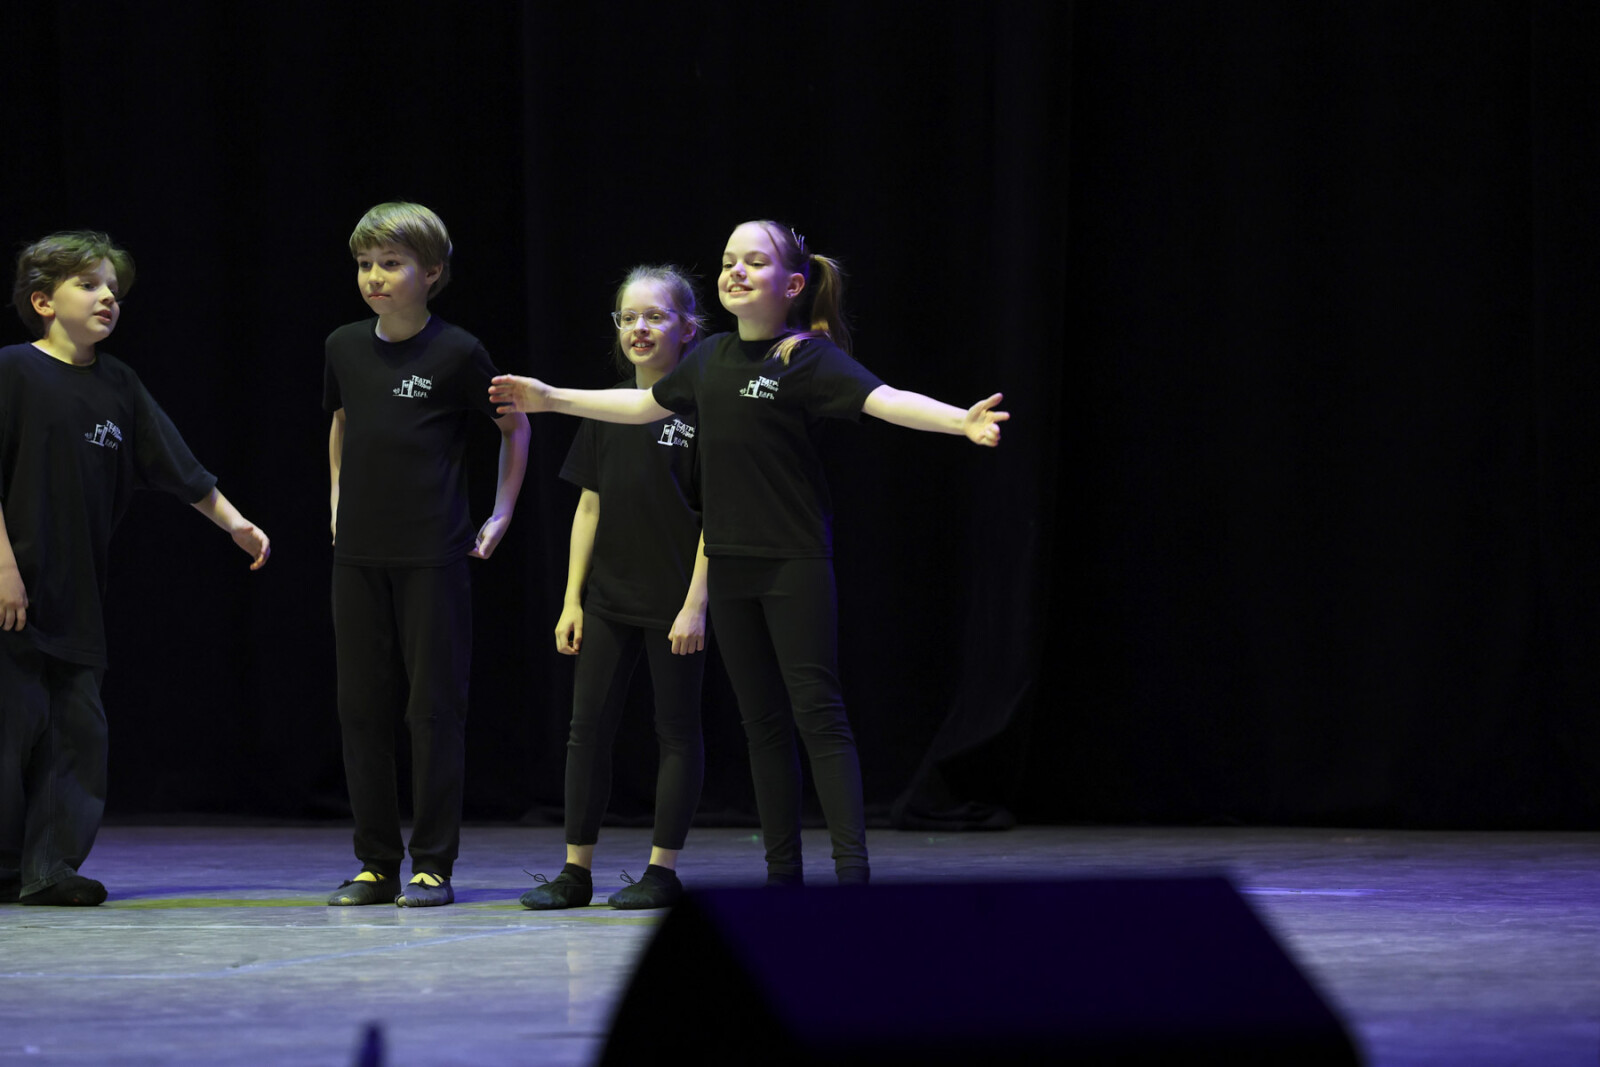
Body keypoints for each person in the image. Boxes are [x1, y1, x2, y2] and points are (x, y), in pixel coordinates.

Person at [491, 220, 1007, 887]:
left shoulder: (806, 358)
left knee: (818, 717)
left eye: (754, 262)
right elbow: (643, 405)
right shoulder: (709, 359)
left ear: (791, 285)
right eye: (729, 260)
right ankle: (782, 876)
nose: (735, 271)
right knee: (761, 725)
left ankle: (851, 876)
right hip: (730, 567)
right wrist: (552, 399)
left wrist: (960, 420)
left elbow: (885, 400)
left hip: (792, 561)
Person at [1, 231, 271, 907]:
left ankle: (49, 868)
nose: (107, 299)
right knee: (11, 727)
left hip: (76, 596)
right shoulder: (14, 371)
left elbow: (177, 465)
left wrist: (235, 522)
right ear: (43, 301)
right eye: (88, 285)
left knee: (76, 735)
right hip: (11, 589)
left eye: (114, 290)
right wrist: (3, 569)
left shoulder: (118, 384)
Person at [324, 202, 529, 908]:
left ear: (432, 272)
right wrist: (335, 501)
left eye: (391, 264)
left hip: (432, 554)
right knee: (361, 709)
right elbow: (341, 422)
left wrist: (501, 512)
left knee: (432, 709)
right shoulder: (343, 346)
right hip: (359, 555)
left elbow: (514, 425)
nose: (374, 277)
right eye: (365, 264)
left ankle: (433, 862)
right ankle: (375, 861)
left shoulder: (459, 352)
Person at [521, 265, 710, 912]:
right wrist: (572, 599)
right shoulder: (604, 410)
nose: (639, 328)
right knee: (587, 730)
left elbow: (717, 517)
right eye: (629, 317)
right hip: (608, 598)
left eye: (655, 316)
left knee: (676, 730)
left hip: (675, 601)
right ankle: (575, 871)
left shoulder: (703, 410)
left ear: (687, 328)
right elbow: (589, 506)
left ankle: (662, 869)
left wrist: (696, 603)